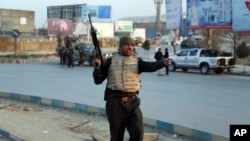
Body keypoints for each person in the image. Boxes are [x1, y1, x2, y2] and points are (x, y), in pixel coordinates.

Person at [92, 36, 170, 141]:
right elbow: (98, 80)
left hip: (133, 103)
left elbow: (150, 66)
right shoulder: (110, 61)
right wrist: (97, 68)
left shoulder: (137, 61)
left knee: (138, 132)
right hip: (115, 104)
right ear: (120, 47)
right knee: (116, 136)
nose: (130, 47)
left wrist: (162, 63)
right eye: (127, 45)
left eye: (132, 45)